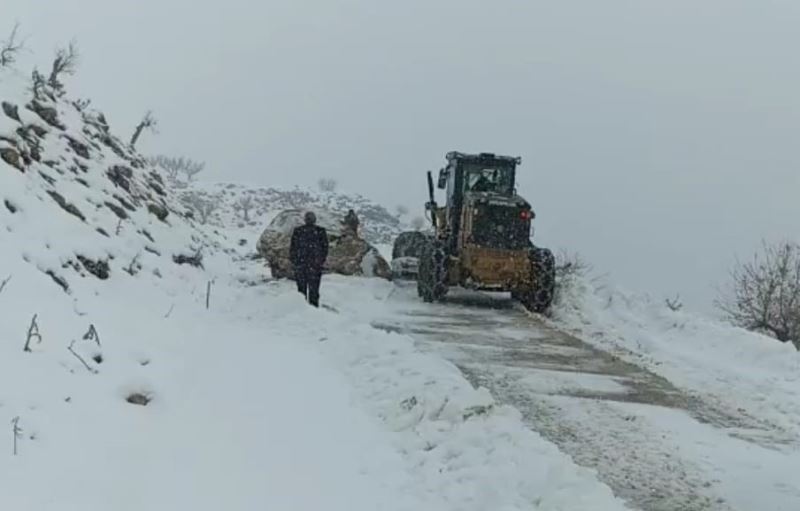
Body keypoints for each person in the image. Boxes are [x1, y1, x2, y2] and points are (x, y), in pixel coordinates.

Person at [289, 211, 329, 307]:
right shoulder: (320, 231)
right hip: (314, 265)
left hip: (301, 265)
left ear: (305, 220)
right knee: (314, 290)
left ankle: (302, 309)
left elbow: (292, 248)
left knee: (301, 290)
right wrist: (320, 261)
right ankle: (313, 310)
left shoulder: (298, 231)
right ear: (315, 220)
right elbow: (325, 248)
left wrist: (295, 262)